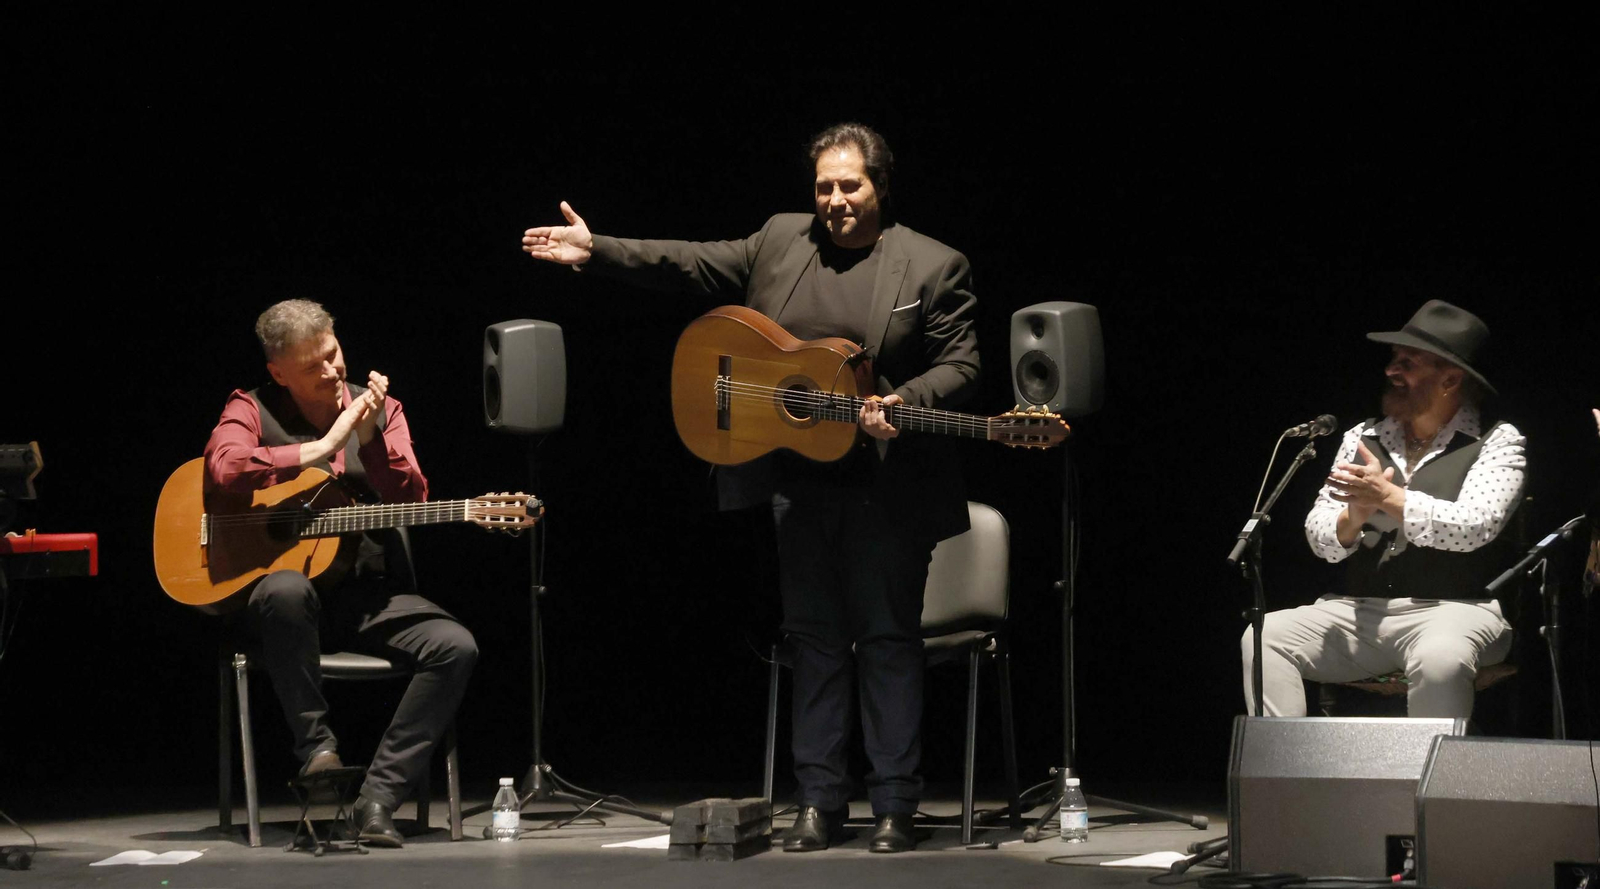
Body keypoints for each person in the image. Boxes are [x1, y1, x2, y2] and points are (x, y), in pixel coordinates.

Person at [521, 123, 979, 852]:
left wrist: (904, 398)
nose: (834, 200)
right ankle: (819, 801)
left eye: (850, 185)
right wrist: (597, 249)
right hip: (796, 480)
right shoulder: (780, 239)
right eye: (824, 187)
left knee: (887, 640)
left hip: (887, 487)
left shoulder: (931, 264)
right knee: (816, 640)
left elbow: (963, 363)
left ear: (882, 187)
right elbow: (691, 264)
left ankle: (894, 801)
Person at [204, 299, 478, 848]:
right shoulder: (251, 407)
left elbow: (412, 497)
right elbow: (224, 467)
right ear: (278, 371)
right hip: (289, 606)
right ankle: (318, 755)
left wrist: (370, 436)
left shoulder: (382, 408)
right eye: (312, 366)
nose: (332, 370)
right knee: (284, 588)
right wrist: (322, 448)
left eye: (332, 353)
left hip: (368, 597)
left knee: (455, 646)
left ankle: (375, 801)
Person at [1242, 300, 1526, 719]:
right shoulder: (1365, 435)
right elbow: (1320, 534)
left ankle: (1430, 783)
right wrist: (1352, 518)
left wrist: (1386, 498)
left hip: (1455, 611)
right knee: (1264, 638)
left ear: (1450, 378)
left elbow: (1474, 526)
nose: (1393, 370)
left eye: (1409, 362)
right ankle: (1288, 778)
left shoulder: (1497, 440)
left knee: (1441, 658)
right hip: (1360, 611)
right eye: (1395, 359)